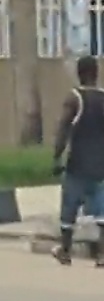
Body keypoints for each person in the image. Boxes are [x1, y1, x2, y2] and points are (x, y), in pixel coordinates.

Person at [51, 55, 104, 267]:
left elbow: (63, 129)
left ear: (79, 73)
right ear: (96, 72)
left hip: (78, 165)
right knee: (102, 212)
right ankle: (101, 255)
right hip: (101, 167)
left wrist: (56, 156)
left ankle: (65, 250)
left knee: (69, 208)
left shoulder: (74, 98)